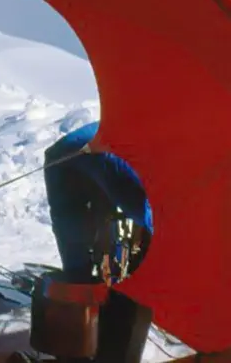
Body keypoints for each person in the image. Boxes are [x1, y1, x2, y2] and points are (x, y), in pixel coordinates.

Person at [42, 121, 154, 363]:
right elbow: (160, 225)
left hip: (72, 154)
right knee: (113, 272)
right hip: (100, 155)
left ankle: (84, 330)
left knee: (79, 265)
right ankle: (99, 339)